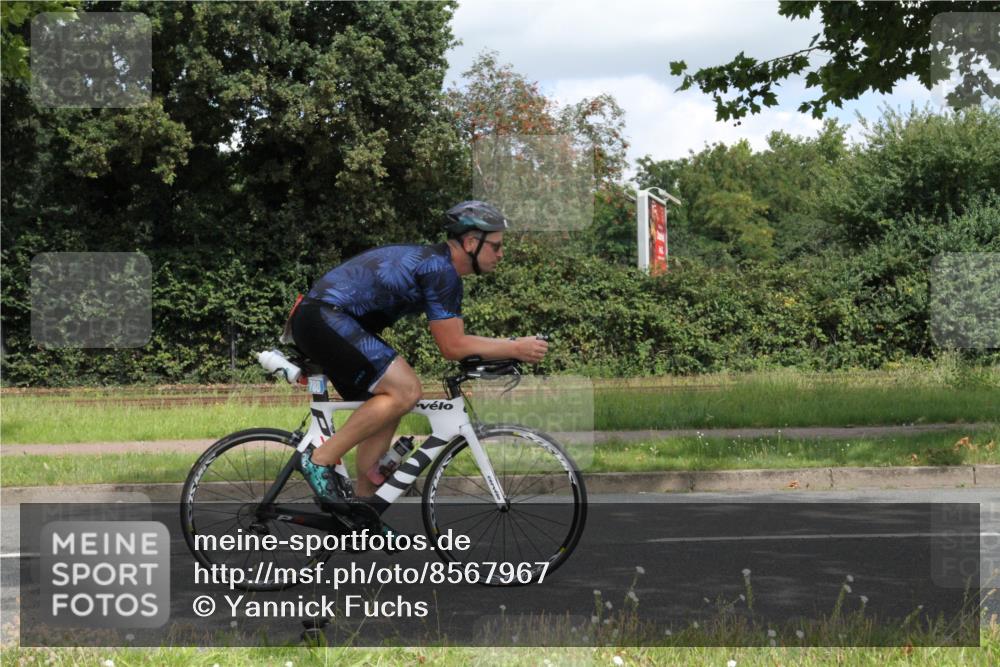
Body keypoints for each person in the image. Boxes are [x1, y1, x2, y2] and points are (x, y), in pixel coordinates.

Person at [289, 200, 548, 504]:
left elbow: (456, 343)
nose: (501, 253)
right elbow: (452, 346)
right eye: (496, 246)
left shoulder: (439, 266)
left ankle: (361, 507)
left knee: (386, 408)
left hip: (324, 320)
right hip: (325, 317)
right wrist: (516, 347)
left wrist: (506, 350)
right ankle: (319, 460)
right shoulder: (441, 270)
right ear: (470, 243)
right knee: (406, 390)